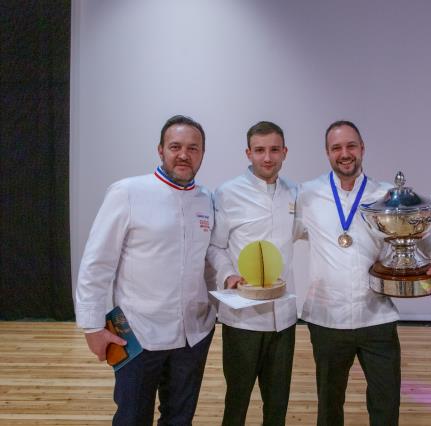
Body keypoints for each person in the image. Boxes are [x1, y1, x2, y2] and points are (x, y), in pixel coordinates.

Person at [295, 120, 431, 426]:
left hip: (376, 317)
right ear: (327, 153)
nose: (345, 153)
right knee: (329, 407)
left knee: (386, 405)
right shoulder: (308, 194)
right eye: (336, 147)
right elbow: (280, 230)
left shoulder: (385, 195)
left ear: (362, 149)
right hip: (326, 319)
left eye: (351, 146)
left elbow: (420, 234)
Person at [75, 115, 216, 425]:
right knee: (132, 418)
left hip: (193, 335)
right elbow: (96, 263)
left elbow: (208, 260)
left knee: (179, 419)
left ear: (203, 153)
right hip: (138, 334)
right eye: (175, 146)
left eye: (193, 148)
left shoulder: (206, 200)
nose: (184, 154)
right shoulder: (127, 192)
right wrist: (92, 326)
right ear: (160, 150)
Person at [210, 121, 298, 426]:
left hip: (284, 318)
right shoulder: (227, 193)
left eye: (274, 150)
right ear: (248, 153)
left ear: (285, 152)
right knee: (237, 400)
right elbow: (216, 247)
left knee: (277, 404)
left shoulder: (295, 194)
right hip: (242, 317)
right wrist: (228, 275)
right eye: (259, 150)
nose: (267, 157)